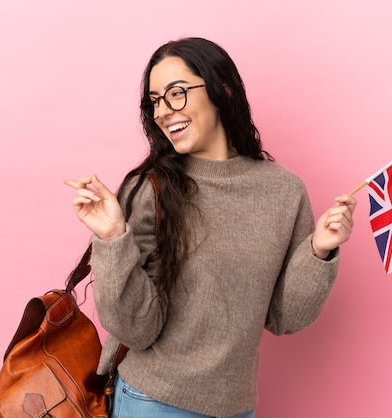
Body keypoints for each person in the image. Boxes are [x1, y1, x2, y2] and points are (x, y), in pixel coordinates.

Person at [64, 37, 357, 418]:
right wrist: (112, 239)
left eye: (177, 93)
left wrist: (318, 251)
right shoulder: (150, 189)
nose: (164, 111)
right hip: (153, 401)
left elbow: (284, 316)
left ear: (223, 90)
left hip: (236, 408)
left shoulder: (284, 192)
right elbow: (136, 330)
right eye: (155, 100)